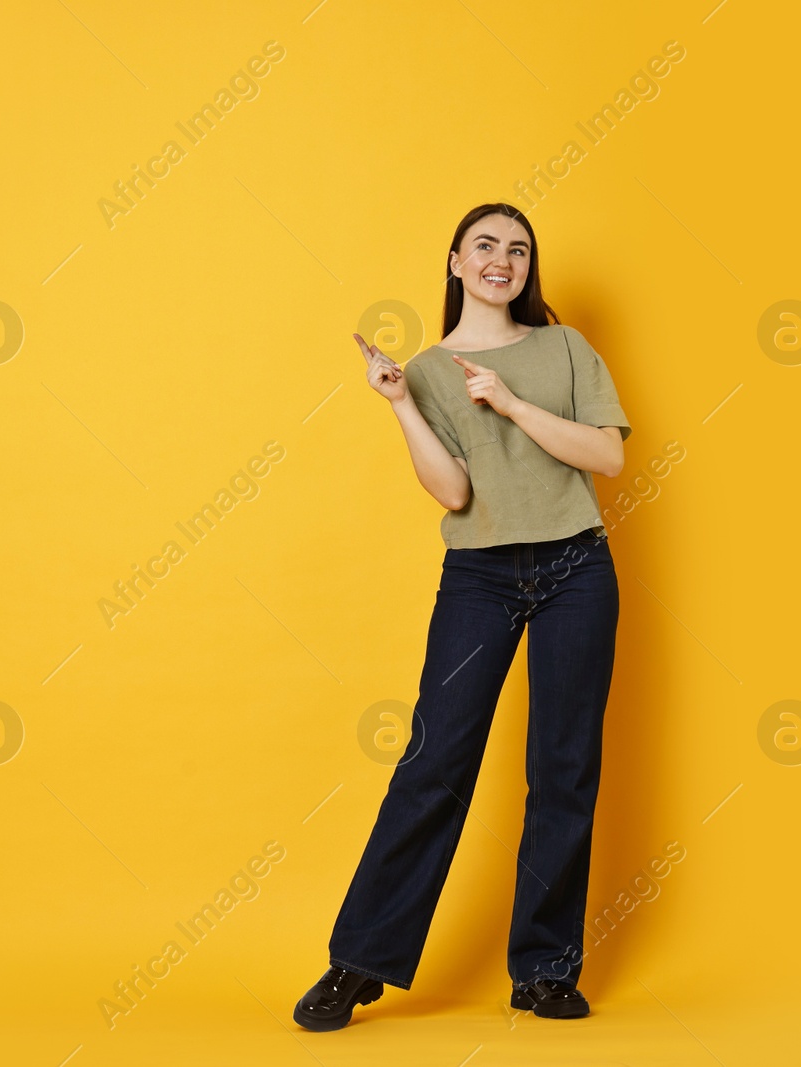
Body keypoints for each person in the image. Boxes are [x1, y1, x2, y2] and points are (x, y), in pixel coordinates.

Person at [294, 203, 631, 1031]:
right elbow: (453, 492)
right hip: (480, 573)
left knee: (564, 766)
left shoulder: (565, 348)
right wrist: (400, 402)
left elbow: (609, 456)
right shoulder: (430, 370)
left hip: (576, 566)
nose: (502, 260)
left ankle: (545, 970)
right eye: (486, 245)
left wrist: (514, 405)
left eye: (518, 250)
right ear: (454, 262)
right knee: (435, 760)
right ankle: (358, 963)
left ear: (527, 269)